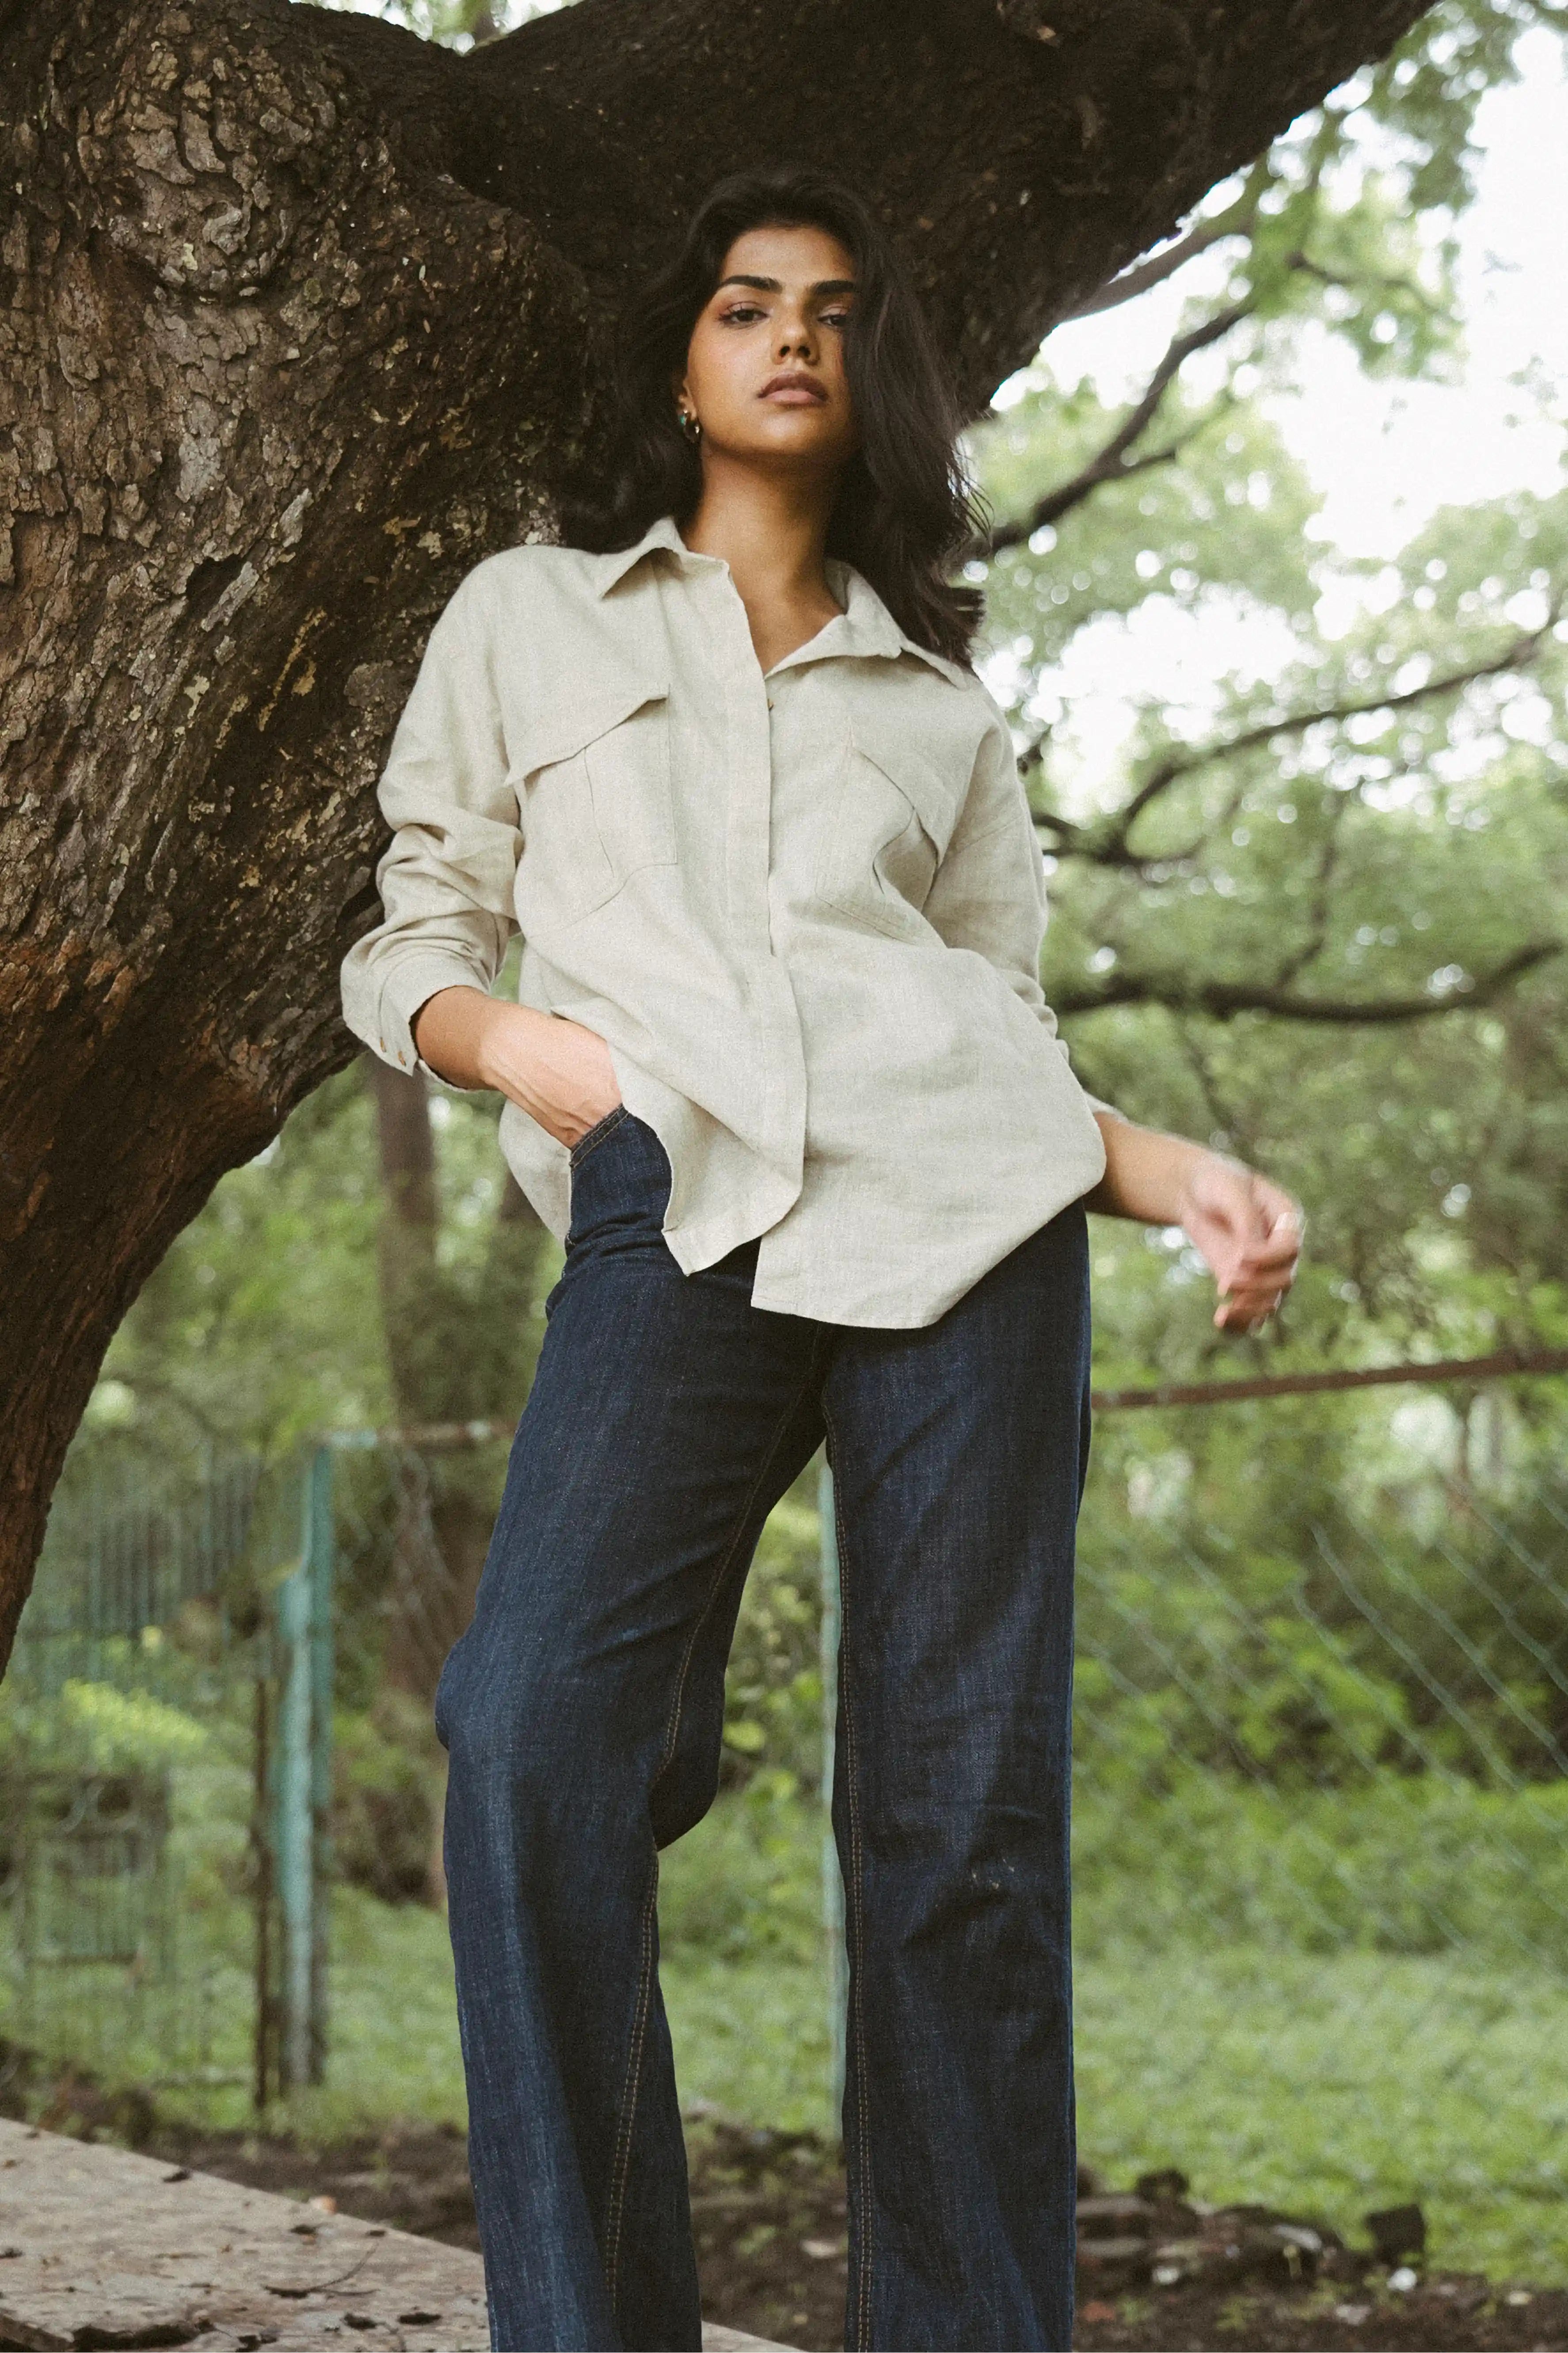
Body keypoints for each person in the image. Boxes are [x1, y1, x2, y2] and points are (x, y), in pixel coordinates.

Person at [340, 163, 1301, 2353]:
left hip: (970, 1224)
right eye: (746, 303)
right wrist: (540, 1058)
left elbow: (987, 1028)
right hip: (661, 1196)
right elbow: (409, 930)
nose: (789, 336)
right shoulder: (529, 612)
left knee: (956, 1828)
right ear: (683, 357)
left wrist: (1172, 1173)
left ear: (878, 369)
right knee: (530, 1734)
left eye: (838, 311)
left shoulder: (938, 707)